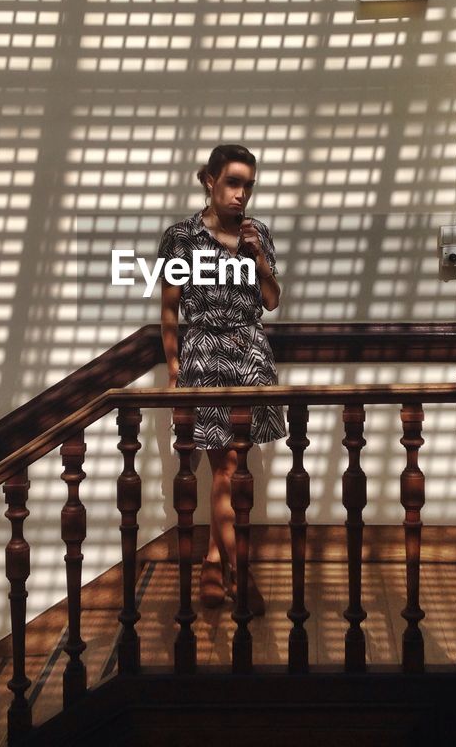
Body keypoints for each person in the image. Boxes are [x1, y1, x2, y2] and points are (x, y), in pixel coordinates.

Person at [157, 144, 284, 615]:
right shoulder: (181, 237)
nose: (241, 194)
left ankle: (214, 558)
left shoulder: (258, 235)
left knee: (234, 469)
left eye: (248, 185)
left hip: (249, 355)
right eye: (233, 182)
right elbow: (170, 310)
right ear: (209, 181)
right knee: (224, 469)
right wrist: (174, 368)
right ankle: (239, 572)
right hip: (204, 355)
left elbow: (271, 301)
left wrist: (258, 259)